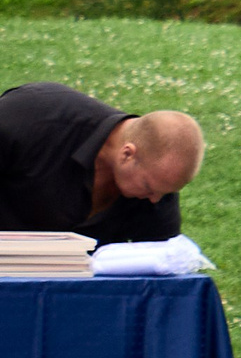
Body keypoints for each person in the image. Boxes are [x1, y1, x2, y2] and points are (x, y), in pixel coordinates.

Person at [0, 84, 203, 243]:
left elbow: (163, 274)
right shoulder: (31, 117)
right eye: (148, 188)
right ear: (127, 154)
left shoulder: (157, 182)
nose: (155, 200)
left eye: (166, 193)